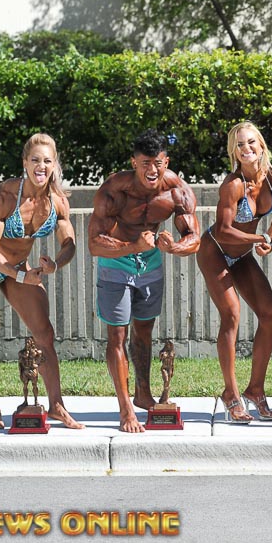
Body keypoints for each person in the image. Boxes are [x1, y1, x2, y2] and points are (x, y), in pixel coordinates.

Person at [0, 133, 83, 430]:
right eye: (35, 160)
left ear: (54, 164)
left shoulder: (58, 202)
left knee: (45, 334)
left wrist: (56, 263)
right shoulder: (4, 196)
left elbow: (69, 244)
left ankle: (56, 405)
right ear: (25, 163)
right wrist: (19, 275)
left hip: (19, 268)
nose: (41, 166)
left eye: (47, 161)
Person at [88, 129, 200, 432]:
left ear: (166, 161)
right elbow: (94, 243)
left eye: (157, 163)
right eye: (145, 163)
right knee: (117, 336)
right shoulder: (115, 189)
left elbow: (194, 238)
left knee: (144, 331)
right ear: (133, 162)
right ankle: (125, 408)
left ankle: (143, 393)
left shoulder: (176, 190)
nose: (152, 170)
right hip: (115, 262)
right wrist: (132, 246)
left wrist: (175, 247)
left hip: (150, 264)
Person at [197, 121, 272, 423]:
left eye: (250, 142)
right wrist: (259, 238)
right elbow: (223, 230)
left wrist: (271, 240)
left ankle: (255, 389)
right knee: (231, 314)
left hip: (243, 254)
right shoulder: (233, 185)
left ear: (261, 145)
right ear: (233, 152)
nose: (246, 149)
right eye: (239, 145)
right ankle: (231, 394)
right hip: (215, 251)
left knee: (269, 314)